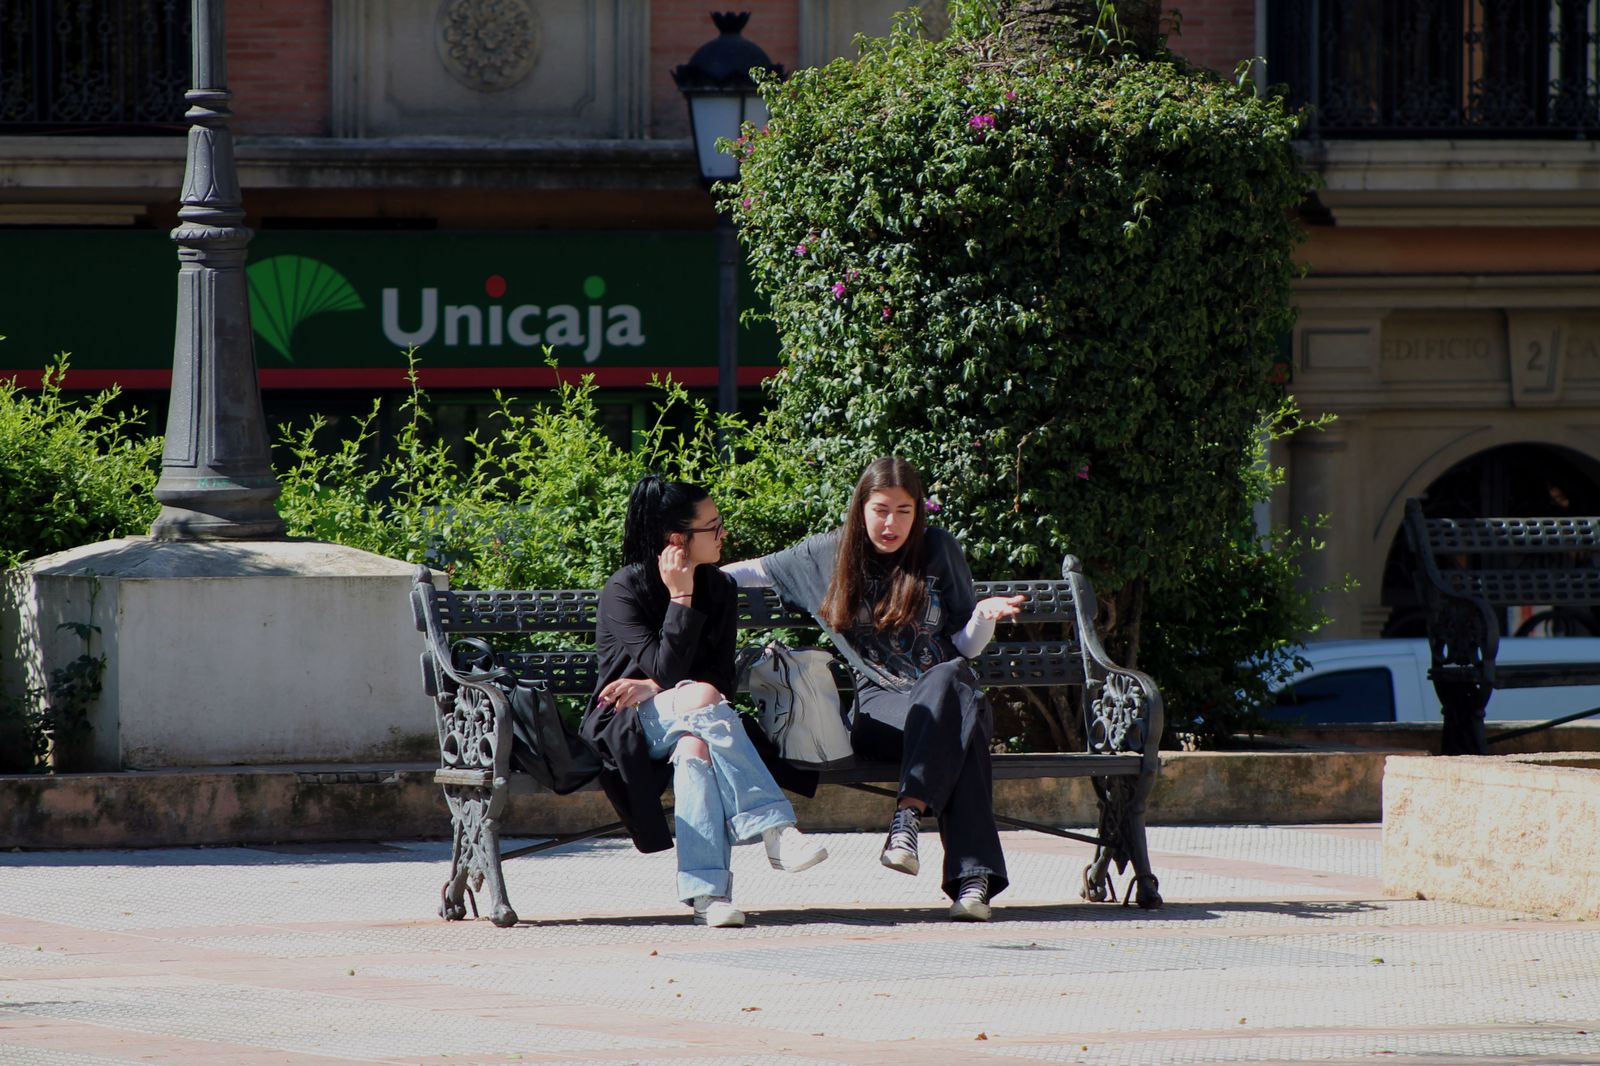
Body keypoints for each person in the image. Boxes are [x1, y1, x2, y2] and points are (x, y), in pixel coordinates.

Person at [723, 457, 1023, 921]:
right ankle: (972, 882)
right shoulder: (829, 554)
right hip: (881, 709)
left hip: (943, 694)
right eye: (881, 509)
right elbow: (752, 572)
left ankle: (908, 816)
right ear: (861, 507)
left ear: (919, 512)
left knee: (951, 681)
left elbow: (964, 647)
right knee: (966, 727)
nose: (892, 523)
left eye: (905, 511)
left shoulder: (938, 549)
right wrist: (686, 580)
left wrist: (983, 617)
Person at [581, 475, 828, 928]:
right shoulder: (625, 589)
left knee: (695, 748)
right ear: (677, 540)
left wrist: (657, 687)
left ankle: (707, 895)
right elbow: (673, 669)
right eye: (712, 527)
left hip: (696, 717)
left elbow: (717, 676)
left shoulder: (720, 588)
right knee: (701, 696)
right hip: (625, 723)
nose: (722, 535)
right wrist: (680, 596)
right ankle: (774, 829)